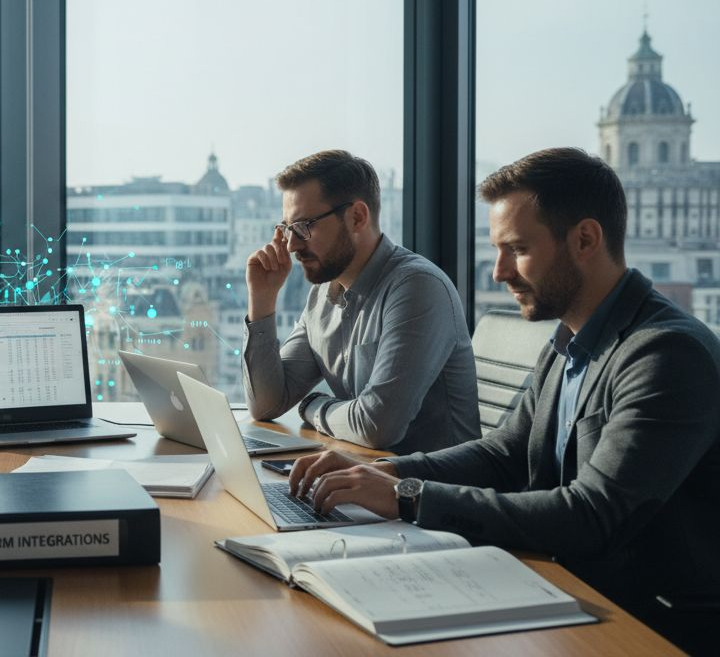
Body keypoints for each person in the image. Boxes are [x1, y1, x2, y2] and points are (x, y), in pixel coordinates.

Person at [291, 147, 720, 654]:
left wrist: (410, 495)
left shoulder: (666, 354)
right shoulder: (571, 339)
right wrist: (387, 472)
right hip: (566, 588)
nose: (497, 272)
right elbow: (504, 452)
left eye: (516, 249)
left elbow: (591, 516)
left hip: (648, 623)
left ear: (585, 239)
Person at [243, 150, 478, 453]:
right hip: (362, 477)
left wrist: (313, 405)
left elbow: (376, 427)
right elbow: (266, 404)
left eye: (304, 226)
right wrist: (262, 301)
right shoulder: (322, 294)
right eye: (287, 229)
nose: (291, 245)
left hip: (424, 491)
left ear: (357, 217)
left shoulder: (417, 288)